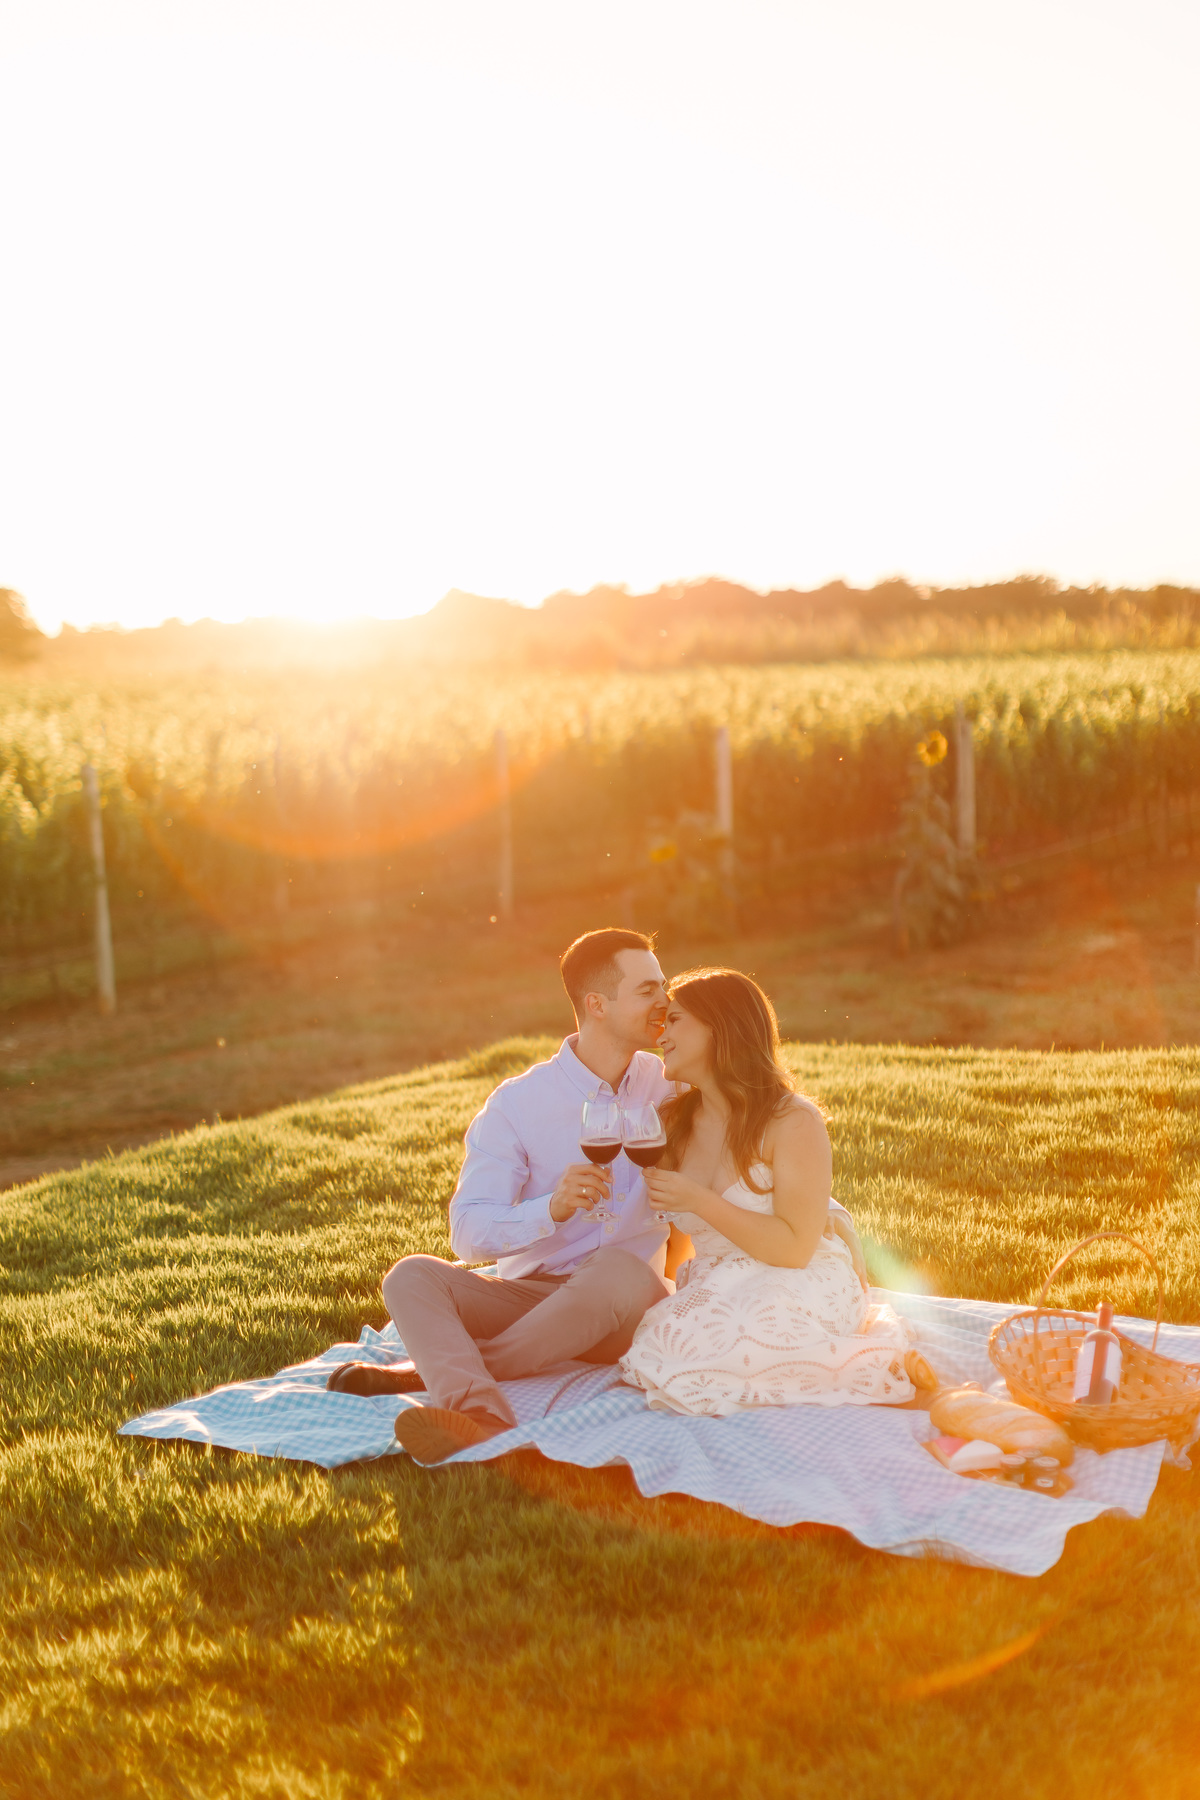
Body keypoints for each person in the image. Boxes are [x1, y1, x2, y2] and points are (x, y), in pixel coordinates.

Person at [330, 929, 868, 1465]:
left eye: (666, 993)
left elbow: (752, 1143)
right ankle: (482, 1415)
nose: (663, 1006)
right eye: (647, 990)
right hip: (532, 1299)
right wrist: (550, 1209)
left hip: (626, 1304)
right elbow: (468, 1234)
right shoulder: (518, 1104)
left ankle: (436, 1380)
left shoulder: (676, 1084)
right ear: (597, 1004)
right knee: (410, 1277)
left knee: (613, 1267)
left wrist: (823, 1222)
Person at [618, 967, 914, 1416]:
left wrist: (698, 1201)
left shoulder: (792, 1120)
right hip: (722, 1280)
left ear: (719, 1027)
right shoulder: (672, 1125)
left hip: (799, 1277)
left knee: (754, 1325)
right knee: (667, 1340)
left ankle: (872, 1364)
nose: (662, 1035)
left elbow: (795, 1249)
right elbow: (676, 1241)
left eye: (675, 1020)